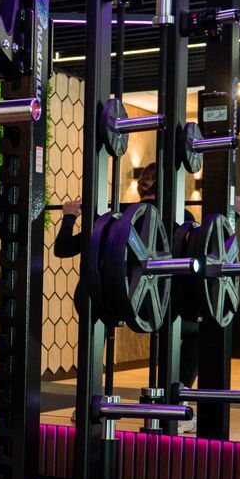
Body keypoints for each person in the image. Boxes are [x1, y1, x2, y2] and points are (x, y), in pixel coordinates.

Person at [51, 162, 199, 432]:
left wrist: (70, 215)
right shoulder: (181, 216)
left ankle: (86, 403)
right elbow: (200, 261)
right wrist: (233, 216)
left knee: (95, 329)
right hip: (153, 307)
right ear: (170, 187)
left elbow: (62, 248)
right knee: (193, 329)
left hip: (104, 302)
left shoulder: (115, 216)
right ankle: (177, 409)